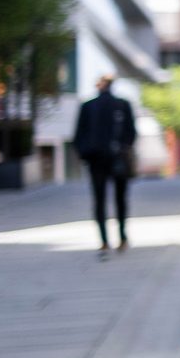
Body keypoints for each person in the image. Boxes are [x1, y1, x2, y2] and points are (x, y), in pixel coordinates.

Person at [73, 73, 136, 255]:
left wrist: (86, 154)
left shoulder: (88, 106)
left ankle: (104, 241)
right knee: (120, 199)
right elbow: (131, 133)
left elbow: (78, 135)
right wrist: (123, 148)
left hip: (96, 159)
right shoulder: (122, 105)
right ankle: (122, 237)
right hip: (117, 157)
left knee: (100, 200)